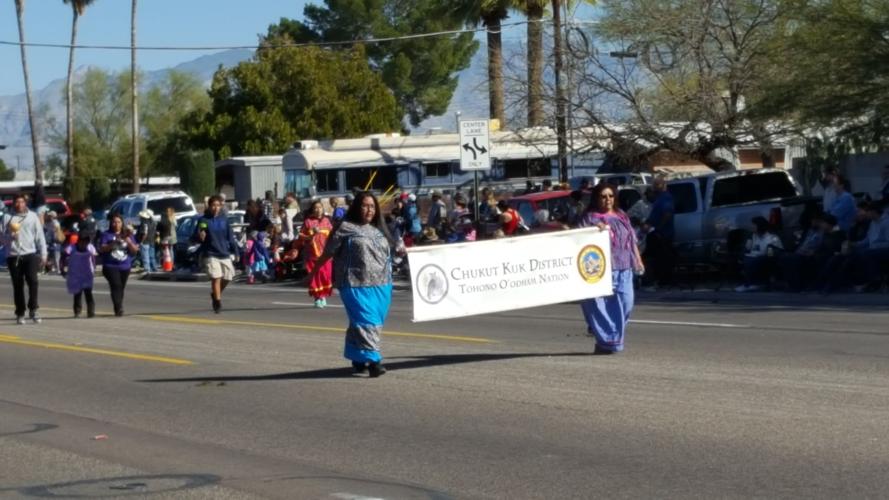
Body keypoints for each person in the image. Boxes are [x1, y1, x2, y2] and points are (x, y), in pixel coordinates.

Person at [309, 191, 394, 377]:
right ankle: (374, 362)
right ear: (356, 207)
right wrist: (314, 273)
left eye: (372, 206)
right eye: (365, 206)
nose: (369, 210)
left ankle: (358, 359)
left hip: (382, 285)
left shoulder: (378, 229)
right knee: (367, 321)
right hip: (354, 284)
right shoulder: (345, 227)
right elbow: (328, 252)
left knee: (367, 323)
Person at [578, 182, 644, 354]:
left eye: (611, 196)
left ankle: (608, 336)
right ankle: (606, 342)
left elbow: (631, 239)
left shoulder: (621, 215)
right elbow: (579, 241)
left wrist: (638, 259)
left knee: (626, 303)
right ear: (596, 198)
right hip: (601, 270)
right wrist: (593, 231)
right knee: (599, 306)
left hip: (625, 267)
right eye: (603, 196)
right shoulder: (589, 218)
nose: (608, 199)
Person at [1, 194, 47, 324]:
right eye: (17, 202)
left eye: (22, 202)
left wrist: (44, 254)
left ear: (25, 203)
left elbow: (40, 236)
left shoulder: (32, 216)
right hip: (13, 255)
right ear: (13, 203)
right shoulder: (7, 217)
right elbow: (1, 237)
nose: (19, 204)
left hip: (30, 254)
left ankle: (33, 309)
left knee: (33, 281)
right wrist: (10, 237)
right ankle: (20, 313)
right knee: (18, 285)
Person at [196, 195, 240, 313]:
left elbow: (231, 237)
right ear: (209, 206)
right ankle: (217, 302)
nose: (215, 208)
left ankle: (215, 293)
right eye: (213, 205)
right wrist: (200, 236)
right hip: (210, 253)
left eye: (218, 205)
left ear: (221, 206)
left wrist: (236, 251)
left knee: (228, 277)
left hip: (224, 252)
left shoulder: (224, 220)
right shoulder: (204, 220)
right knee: (216, 277)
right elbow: (196, 235)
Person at [98, 212, 139, 316]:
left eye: (118, 222)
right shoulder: (106, 235)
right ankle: (119, 308)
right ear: (110, 223)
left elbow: (135, 250)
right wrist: (114, 243)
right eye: (114, 222)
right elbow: (102, 249)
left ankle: (118, 306)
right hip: (110, 266)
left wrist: (129, 242)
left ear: (122, 223)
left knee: (120, 288)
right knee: (116, 285)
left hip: (125, 266)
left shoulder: (128, 235)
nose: (116, 224)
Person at [299, 200, 334, 307]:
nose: (318, 210)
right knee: (315, 276)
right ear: (312, 210)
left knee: (325, 276)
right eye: (316, 208)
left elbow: (332, 235)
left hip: (326, 254)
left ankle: (323, 295)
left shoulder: (326, 221)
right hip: (313, 254)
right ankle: (317, 297)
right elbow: (301, 236)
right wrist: (311, 235)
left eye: (320, 207)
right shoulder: (308, 222)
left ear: (323, 209)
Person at [735, 216, 783, 292]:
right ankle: (749, 284)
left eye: (754, 225)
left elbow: (773, 253)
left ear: (760, 226)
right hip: (753, 257)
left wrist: (768, 251)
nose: (751, 227)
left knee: (754, 261)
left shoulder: (772, 237)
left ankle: (751, 284)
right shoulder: (752, 236)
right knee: (746, 259)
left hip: (766, 258)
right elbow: (747, 248)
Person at [643, 176, 675, 288]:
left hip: (663, 234)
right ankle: (657, 279)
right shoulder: (658, 198)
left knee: (663, 258)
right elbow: (654, 215)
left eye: (656, 185)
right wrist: (647, 223)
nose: (654, 187)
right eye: (654, 185)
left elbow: (667, 215)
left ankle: (664, 281)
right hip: (654, 232)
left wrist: (658, 229)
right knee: (656, 258)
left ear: (663, 185)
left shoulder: (666, 198)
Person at [65, 230, 97, 318]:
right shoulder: (71, 248)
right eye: (82, 241)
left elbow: (93, 259)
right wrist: (63, 268)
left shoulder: (90, 247)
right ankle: (77, 311)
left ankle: (91, 312)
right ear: (78, 241)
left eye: (86, 242)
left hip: (87, 274)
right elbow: (64, 256)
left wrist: (94, 268)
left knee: (88, 293)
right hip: (76, 274)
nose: (84, 244)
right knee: (77, 293)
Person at [135, 209, 158, 273]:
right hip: (151, 241)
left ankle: (147, 269)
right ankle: (154, 268)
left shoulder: (144, 223)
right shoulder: (153, 223)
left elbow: (145, 233)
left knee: (145, 257)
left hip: (145, 242)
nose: (140, 218)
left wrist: (141, 242)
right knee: (152, 256)